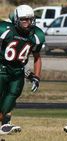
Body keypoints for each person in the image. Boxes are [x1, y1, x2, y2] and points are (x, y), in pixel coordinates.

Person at [0, 4, 45, 134]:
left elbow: (37, 57)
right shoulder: (5, 29)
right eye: (24, 19)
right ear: (16, 19)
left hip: (18, 72)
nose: (27, 23)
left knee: (10, 99)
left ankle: (4, 125)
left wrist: (36, 76)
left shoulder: (36, 34)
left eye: (30, 19)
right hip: (2, 68)